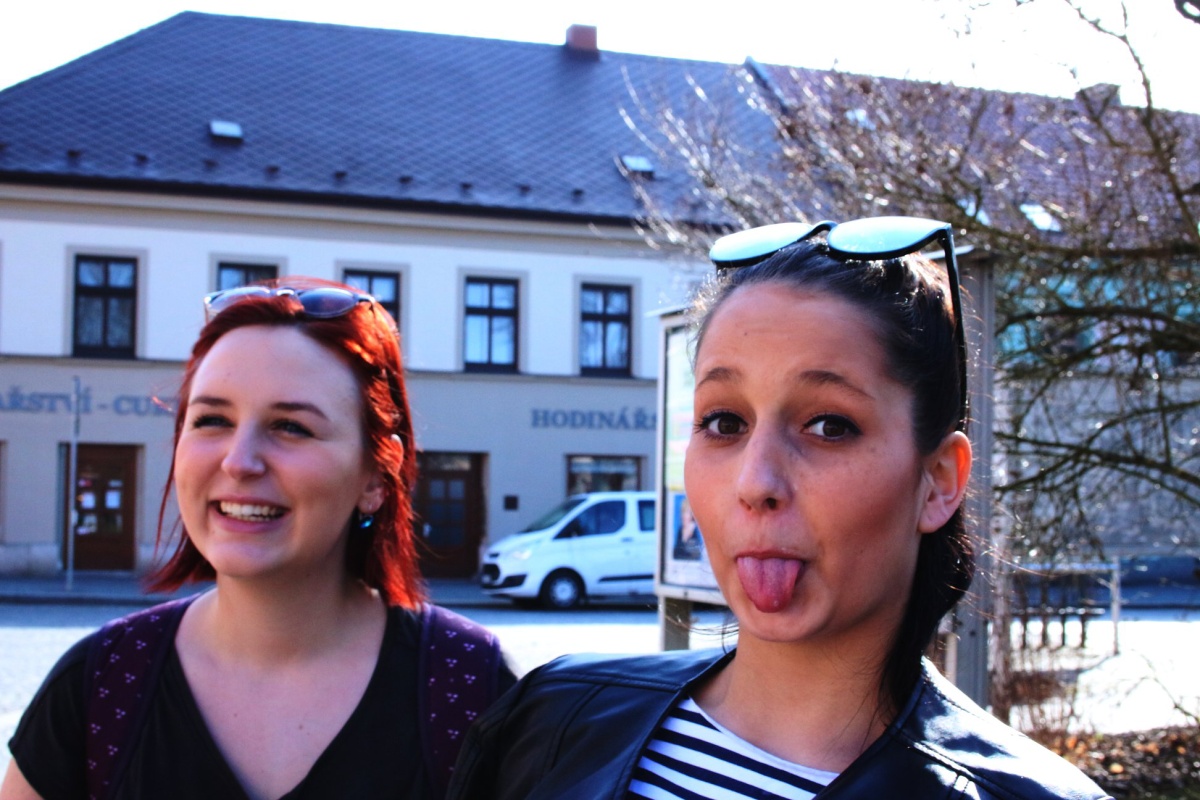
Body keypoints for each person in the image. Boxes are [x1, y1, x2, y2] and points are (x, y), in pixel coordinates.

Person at [447, 217, 1110, 799]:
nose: (755, 481)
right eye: (724, 422)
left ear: (937, 482)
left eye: (829, 426)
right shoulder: (554, 720)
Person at [2, 278, 515, 800]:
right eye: (212, 420)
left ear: (375, 477)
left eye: (291, 427)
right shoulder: (101, 685)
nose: (239, 461)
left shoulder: (470, 688)